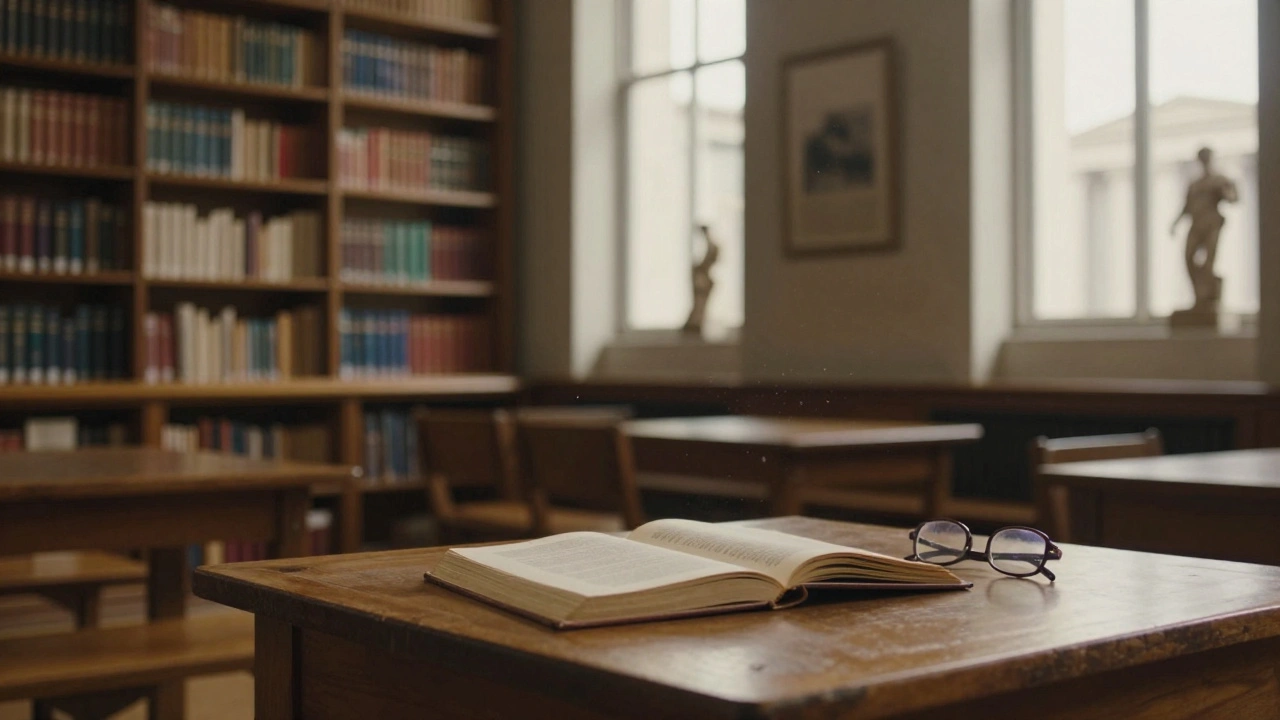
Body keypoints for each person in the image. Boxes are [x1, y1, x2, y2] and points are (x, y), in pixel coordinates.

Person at [1169, 147, 1238, 308]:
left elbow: (1233, 198)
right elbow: (1186, 206)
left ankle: (1211, 296)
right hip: (1196, 225)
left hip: (1211, 224)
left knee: (1209, 263)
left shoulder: (1220, 180)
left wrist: (1227, 192)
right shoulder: (1195, 184)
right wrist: (1175, 223)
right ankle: (1200, 296)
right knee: (1188, 257)